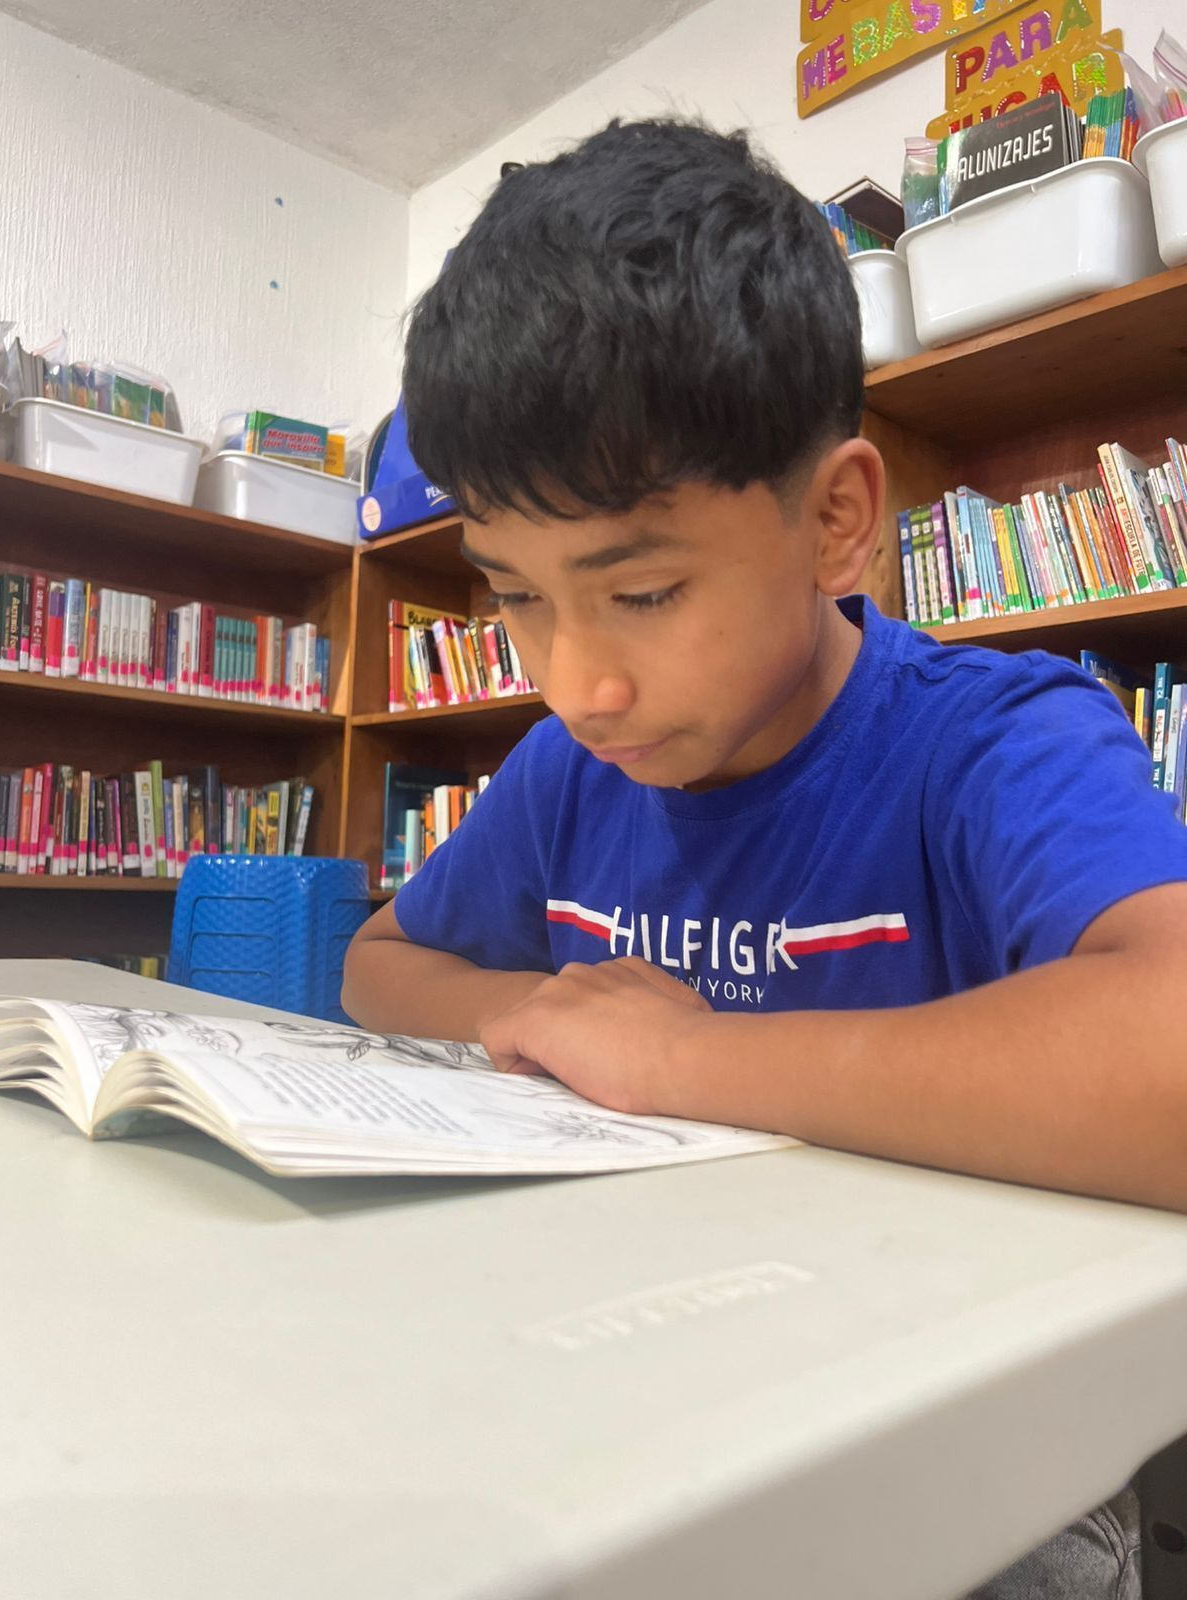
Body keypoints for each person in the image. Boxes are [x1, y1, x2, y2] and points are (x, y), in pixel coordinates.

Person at [343, 117, 1181, 1596]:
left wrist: (683, 1059)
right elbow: (380, 960)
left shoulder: (992, 742)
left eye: (644, 590)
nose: (576, 681)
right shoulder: (570, 768)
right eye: (518, 600)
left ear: (837, 521)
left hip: (973, 1439)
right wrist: (524, 1016)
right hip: (633, 1371)